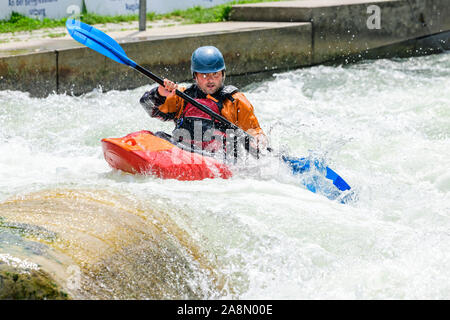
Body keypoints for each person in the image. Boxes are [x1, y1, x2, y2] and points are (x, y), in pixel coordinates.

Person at [140, 45, 267, 155]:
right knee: (157, 136)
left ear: (223, 74)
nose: (210, 80)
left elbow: (254, 130)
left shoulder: (235, 100)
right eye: (204, 75)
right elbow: (150, 109)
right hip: (183, 151)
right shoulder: (182, 96)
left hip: (217, 157)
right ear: (195, 76)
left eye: (215, 74)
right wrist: (160, 93)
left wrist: (258, 139)